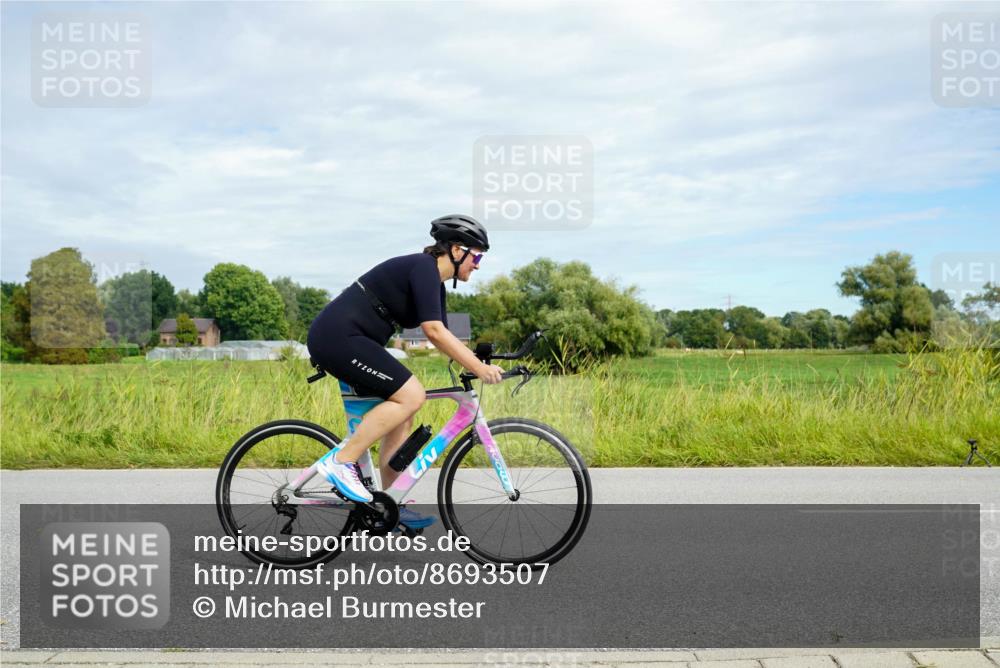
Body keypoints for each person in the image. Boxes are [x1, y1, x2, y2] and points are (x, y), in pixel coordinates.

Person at [305, 215, 504, 529]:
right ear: (456, 250)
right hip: (338, 337)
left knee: (404, 412)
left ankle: (391, 501)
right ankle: (341, 463)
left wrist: (479, 361)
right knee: (412, 395)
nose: (478, 265)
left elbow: (444, 336)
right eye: (476, 257)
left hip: (353, 341)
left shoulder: (434, 284)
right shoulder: (424, 268)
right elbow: (433, 331)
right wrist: (479, 368)